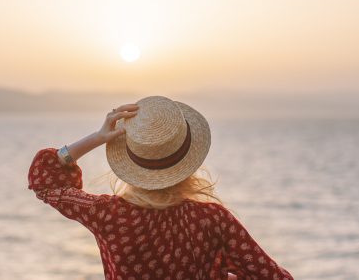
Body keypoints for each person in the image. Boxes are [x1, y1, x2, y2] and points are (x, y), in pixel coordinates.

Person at [28, 95, 294, 280]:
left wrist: (97, 138)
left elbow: (45, 179)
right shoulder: (212, 220)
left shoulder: (108, 215)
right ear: (188, 159)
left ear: (130, 159)